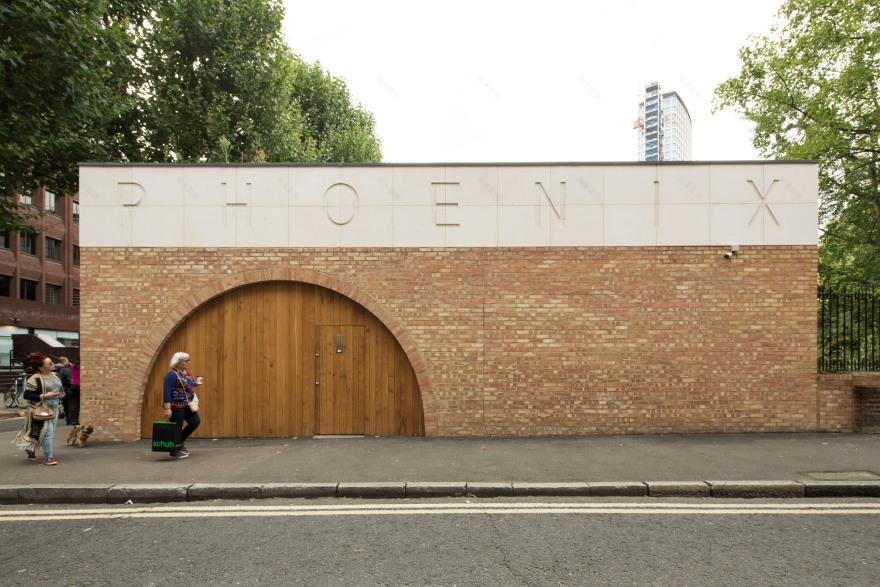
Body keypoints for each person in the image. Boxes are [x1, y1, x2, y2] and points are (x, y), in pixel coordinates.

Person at [14, 352, 64, 465]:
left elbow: (59, 392)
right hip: (40, 408)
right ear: (41, 367)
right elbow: (26, 395)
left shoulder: (56, 376)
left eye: (52, 362)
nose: (52, 364)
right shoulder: (34, 379)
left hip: (54, 406)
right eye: (49, 363)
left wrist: (59, 405)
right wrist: (44, 396)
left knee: (49, 431)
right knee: (48, 432)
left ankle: (30, 448)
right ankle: (49, 457)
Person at [162, 352, 202, 459]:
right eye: (186, 361)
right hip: (176, 405)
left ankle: (179, 443)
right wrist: (167, 408)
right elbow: (167, 392)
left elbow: (184, 386)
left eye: (189, 360)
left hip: (187, 404)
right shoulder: (171, 375)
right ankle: (174, 450)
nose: (188, 362)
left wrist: (194, 384)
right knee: (177, 427)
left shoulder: (185, 372)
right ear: (178, 362)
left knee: (195, 422)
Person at [55, 357, 73, 425]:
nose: (68, 363)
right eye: (67, 361)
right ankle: (69, 421)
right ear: (63, 362)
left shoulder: (52, 369)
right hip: (65, 391)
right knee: (67, 407)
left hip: (53, 391)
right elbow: (68, 381)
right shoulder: (66, 370)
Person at [68, 358, 81, 426]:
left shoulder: (72, 366)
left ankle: (73, 419)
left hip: (73, 384)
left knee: (73, 403)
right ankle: (76, 419)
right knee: (78, 403)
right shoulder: (82, 367)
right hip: (79, 384)